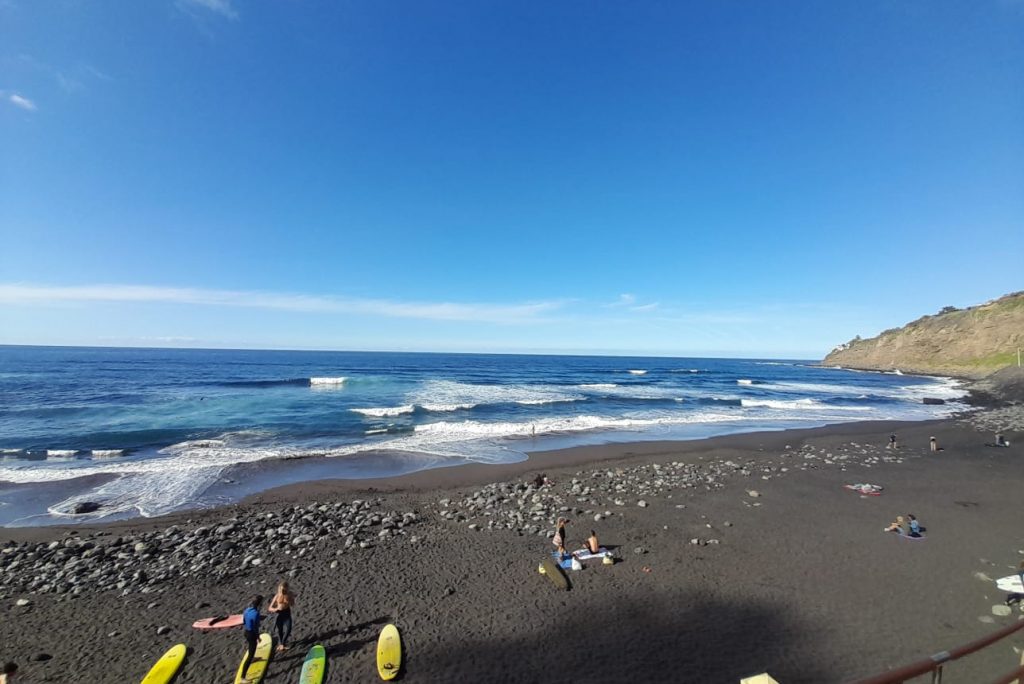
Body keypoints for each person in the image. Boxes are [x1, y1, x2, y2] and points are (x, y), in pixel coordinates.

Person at [239, 595, 263, 684]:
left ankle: (253, 657)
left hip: (246, 632)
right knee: (249, 657)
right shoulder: (256, 614)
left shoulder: (246, 610)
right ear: (260, 604)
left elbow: (244, 621)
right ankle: (242, 678)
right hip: (252, 634)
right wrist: (258, 637)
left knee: (251, 647)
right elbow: (255, 628)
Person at [268, 580, 295, 653]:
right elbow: (270, 608)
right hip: (279, 613)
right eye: (281, 589)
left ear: (287, 588)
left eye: (284, 589)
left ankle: (282, 644)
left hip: (287, 612)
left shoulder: (290, 594)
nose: (282, 591)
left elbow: (293, 604)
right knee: (280, 630)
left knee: (288, 628)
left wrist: (290, 600)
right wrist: (276, 609)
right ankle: (281, 644)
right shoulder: (277, 596)